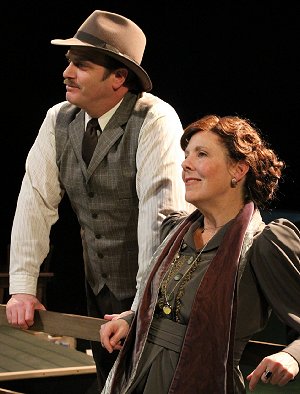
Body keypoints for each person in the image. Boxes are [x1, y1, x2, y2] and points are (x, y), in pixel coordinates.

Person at [5, 10, 191, 392]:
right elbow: (35, 199)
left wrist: (141, 307)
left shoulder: (154, 119)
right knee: (108, 381)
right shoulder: (59, 119)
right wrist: (23, 287)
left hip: (161, 298)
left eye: (82, 65)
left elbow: (161, 217)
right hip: (100, 290)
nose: (67, 73)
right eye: (69, 62)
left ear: (119, 78)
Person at [99, 114, 300, 393]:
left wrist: (293, 355)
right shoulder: (175, 234)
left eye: (201, 154)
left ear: (238, 170)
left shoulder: (264, 243)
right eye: (186, 154)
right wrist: (133, 319)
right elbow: (172, 309)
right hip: (138, 378)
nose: (185, 163)